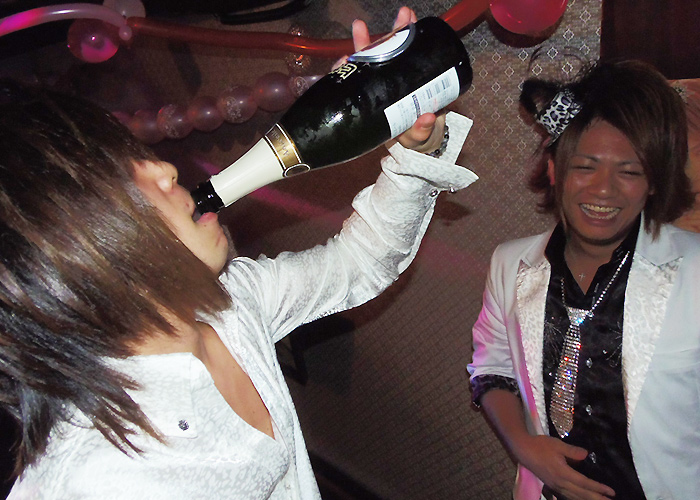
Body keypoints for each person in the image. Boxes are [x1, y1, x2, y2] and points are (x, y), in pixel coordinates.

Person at [0, 7, 478, 499]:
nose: (164, 169)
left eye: (135, 155)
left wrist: (415, 150)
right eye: (121, 176)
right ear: (62, 251)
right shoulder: (99, 480)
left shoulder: (229, 303)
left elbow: (361, 263)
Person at [467, 59, 700, 500]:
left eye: (629, 171)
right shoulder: (508, 264)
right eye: (585, 167)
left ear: (653, 182)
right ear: (554, 169)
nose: (603, 190)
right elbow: (491, 365)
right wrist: (524, 446)